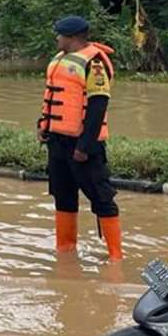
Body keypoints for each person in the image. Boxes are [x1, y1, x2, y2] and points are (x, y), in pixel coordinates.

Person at [38, 15, 122, 260]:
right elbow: (52, 97)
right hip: (57, 142)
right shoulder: (59, 60)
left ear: (73, 38)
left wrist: (85, 146)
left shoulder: (94, 64)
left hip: (84, 145)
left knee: (101, 197)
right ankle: (65, 251)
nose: (57, 38)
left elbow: (98, 107)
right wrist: (42, 125)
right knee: (62, 195)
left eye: (60, 35)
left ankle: (115, 257)